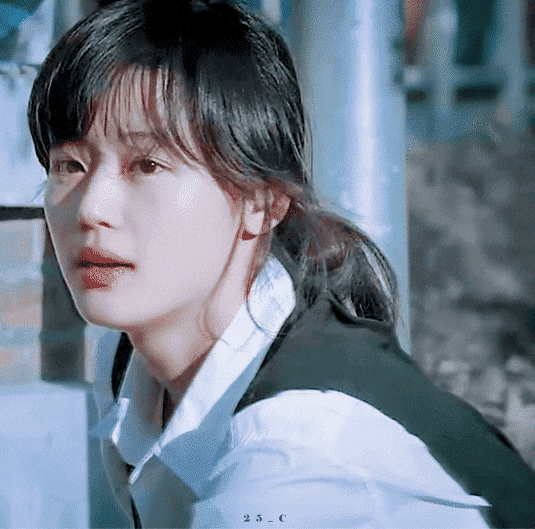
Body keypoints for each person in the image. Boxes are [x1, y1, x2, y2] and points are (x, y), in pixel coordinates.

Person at [27, 0, 535, 527]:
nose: (90, 208)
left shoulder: (293, 457)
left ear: (263, 202)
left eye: (147, 165)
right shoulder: (129, 361)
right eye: (71, 165)